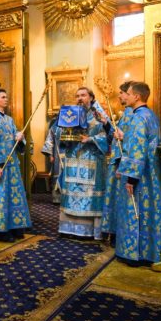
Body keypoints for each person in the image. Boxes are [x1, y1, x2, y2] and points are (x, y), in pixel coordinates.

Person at [113, 82, 161, 264]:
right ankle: (150, 251)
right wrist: (124, 137)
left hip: (139, 174)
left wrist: (131, 179)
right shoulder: (150, 115)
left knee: (136, 211)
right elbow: (143, 141)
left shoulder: (137, 118)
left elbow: (137, 149)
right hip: (151, 172)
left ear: (136, 96)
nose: (125, 97)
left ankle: (134, 254)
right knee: (149, 211)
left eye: (127, 94)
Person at [0, 89, 31, 241]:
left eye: (7, 97)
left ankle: (13, 226)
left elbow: (16, 139)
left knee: (11, 195)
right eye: (3, 97)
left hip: (12, 164)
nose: (6, 99)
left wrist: (20, 138)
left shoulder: (9, 120)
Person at [58, 87, 108, 240]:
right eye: (77, 95)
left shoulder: (99, 114)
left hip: (91, 159)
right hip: (73, 158)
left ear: (91, 97)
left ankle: (89, 231)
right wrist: (64, 132)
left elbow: (109, 135)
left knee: (89, 194)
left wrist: (91, 139)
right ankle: (68, 229)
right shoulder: (71, 113)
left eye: (83, 95)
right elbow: (59, 134)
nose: (79, 98)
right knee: (72, 191)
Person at [102, 81, 134, 241]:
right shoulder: (127, 112)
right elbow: (114, 136)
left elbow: (133, 140)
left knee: (120, 198)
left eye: (122, 92)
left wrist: (122, 137)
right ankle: (113, 231)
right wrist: (106, 124)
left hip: (122, 163)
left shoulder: (133, 113)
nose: (119, 96)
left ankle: (118, 234)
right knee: (114, 197)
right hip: (117, 161)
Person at [41, 112, 63, 204]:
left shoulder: (75, 126)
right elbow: (49, 140)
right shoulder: (55, 126)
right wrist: (50, 155)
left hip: (70, 156)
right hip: (57, 155)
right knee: (57, 175)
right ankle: (57, 198)